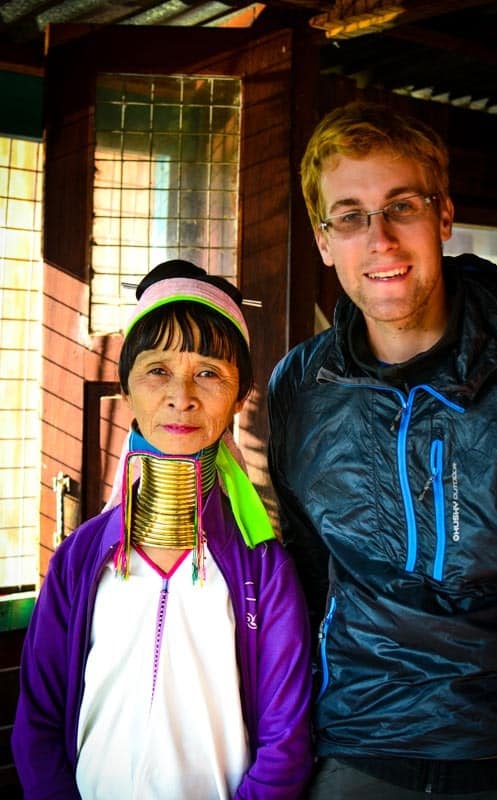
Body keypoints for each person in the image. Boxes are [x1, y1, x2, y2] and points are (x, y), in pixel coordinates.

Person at [267, 101, 497, 798]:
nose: (377, 238)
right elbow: (308, 568)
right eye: (349, 216)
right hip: (359, 735)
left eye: (401, 207)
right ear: (323, 241)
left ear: (442, 215)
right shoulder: (301, 385)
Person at [12, 260, 313, 800]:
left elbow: (285, 746)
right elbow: (37, 728)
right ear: (126, 386)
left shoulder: (262, 571)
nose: (181, 396)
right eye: (157, 371)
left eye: (208, 373)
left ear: (241, 397)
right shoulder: (80, 561)